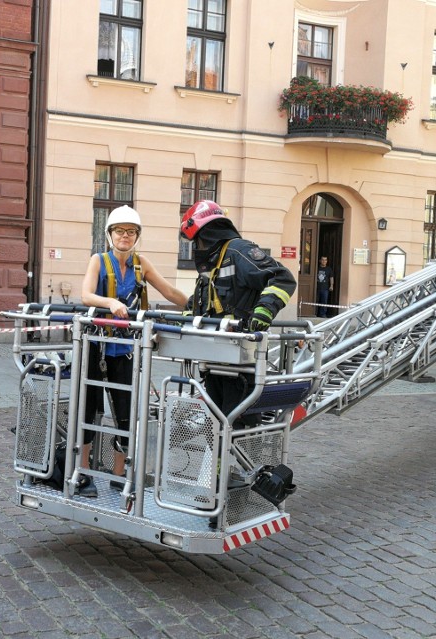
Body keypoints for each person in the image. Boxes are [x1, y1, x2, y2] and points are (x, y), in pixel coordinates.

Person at [79, 205, 189, 495]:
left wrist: (197, 307)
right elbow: (86, 294)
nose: (124, 236)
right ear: (110, 234)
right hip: (96, 345)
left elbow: (169, 292)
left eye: (130, 232)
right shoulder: (98, 260)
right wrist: (110, 303)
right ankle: (83, 473)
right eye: (119, 231)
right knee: (88, 409)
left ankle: (119, 476)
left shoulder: (142, 264)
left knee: (126, 412)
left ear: (137, 236)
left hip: (125, 349)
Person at [180, 199, 297, 428]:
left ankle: (240, 462)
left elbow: (282, 278)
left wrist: (263, 312)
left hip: (239, 359)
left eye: (198, 241)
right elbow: (201, 300)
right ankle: (219, 462)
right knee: (216, 420)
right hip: (215, 357)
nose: (197, 247)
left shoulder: (238, 251)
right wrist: (185, 321)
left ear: (208, 233)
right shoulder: (213, 262)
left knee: (238, 420)